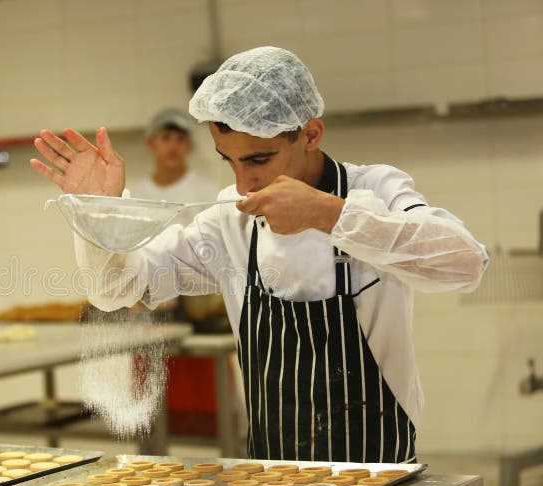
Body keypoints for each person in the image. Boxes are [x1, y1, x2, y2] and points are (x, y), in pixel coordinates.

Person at [30, 46, 488, 462]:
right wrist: (97, 213)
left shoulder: (377, 190)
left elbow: (465, 264)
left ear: (310, 134)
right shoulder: (231, 220)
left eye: (259, 159)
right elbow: (117, 290)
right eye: (229, 160)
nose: (244, 182)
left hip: (379, 472)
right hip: (271, 480)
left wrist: (329, 214)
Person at [134, 108, 218, 224]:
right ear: (150, 143)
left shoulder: (207, 193)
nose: (173, 146)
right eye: (166, 137)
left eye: (180, 139)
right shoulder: (137, 196)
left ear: (189, 146)